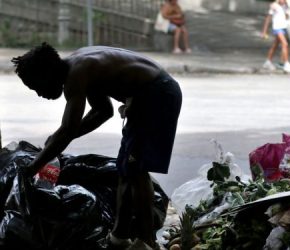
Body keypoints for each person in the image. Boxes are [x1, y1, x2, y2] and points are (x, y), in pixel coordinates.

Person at [11, 42, 182, 249]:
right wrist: (61, 138)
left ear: (47, 73)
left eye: (36, 86)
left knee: (136, 171)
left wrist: (32, 167)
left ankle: (147, 242)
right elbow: (102, 112)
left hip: (157, 95)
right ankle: (119, 236)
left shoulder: (78, 73)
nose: (39, 93)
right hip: (146, 96)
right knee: (126, 170)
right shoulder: (80, 67)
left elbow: (67, 129)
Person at [262, 0, 290, 73]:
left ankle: (267, 62)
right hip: (277, 28)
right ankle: (286, 64)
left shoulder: (286, 6)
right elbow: (268, 19)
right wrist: (264, 31)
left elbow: (286, 16)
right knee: (285, 44)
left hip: (283, 27)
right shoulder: (274, 6)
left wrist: (287, 14)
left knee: (275, 45)